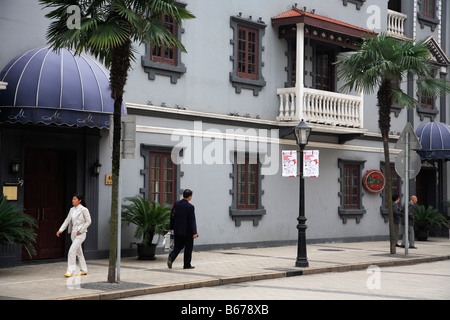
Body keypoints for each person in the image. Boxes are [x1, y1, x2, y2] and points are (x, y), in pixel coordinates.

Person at [56, 194, 92, 277]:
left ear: (79, 201)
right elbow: (67, 220)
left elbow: (88, 221)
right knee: (79, 253)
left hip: (81, 234)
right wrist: (60, 230)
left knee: (71, 251)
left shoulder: (84, 210)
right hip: (73, 234)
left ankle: (70, 271)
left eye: (75, 199)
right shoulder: (72, 209)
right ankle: (84, 270)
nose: (73, 200)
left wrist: (81, 230)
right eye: (73, 199)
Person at [167, 189, 198, 269]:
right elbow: (192, 220)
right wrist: (194, 232)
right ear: (190, 197)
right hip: (188, 232)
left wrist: (171, 227)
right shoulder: (190, 207)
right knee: (188, 248)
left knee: (177, 247)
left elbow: (172, 216)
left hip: (178, 230)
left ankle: (171, 256)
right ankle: (187, 265)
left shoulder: (176, 204)